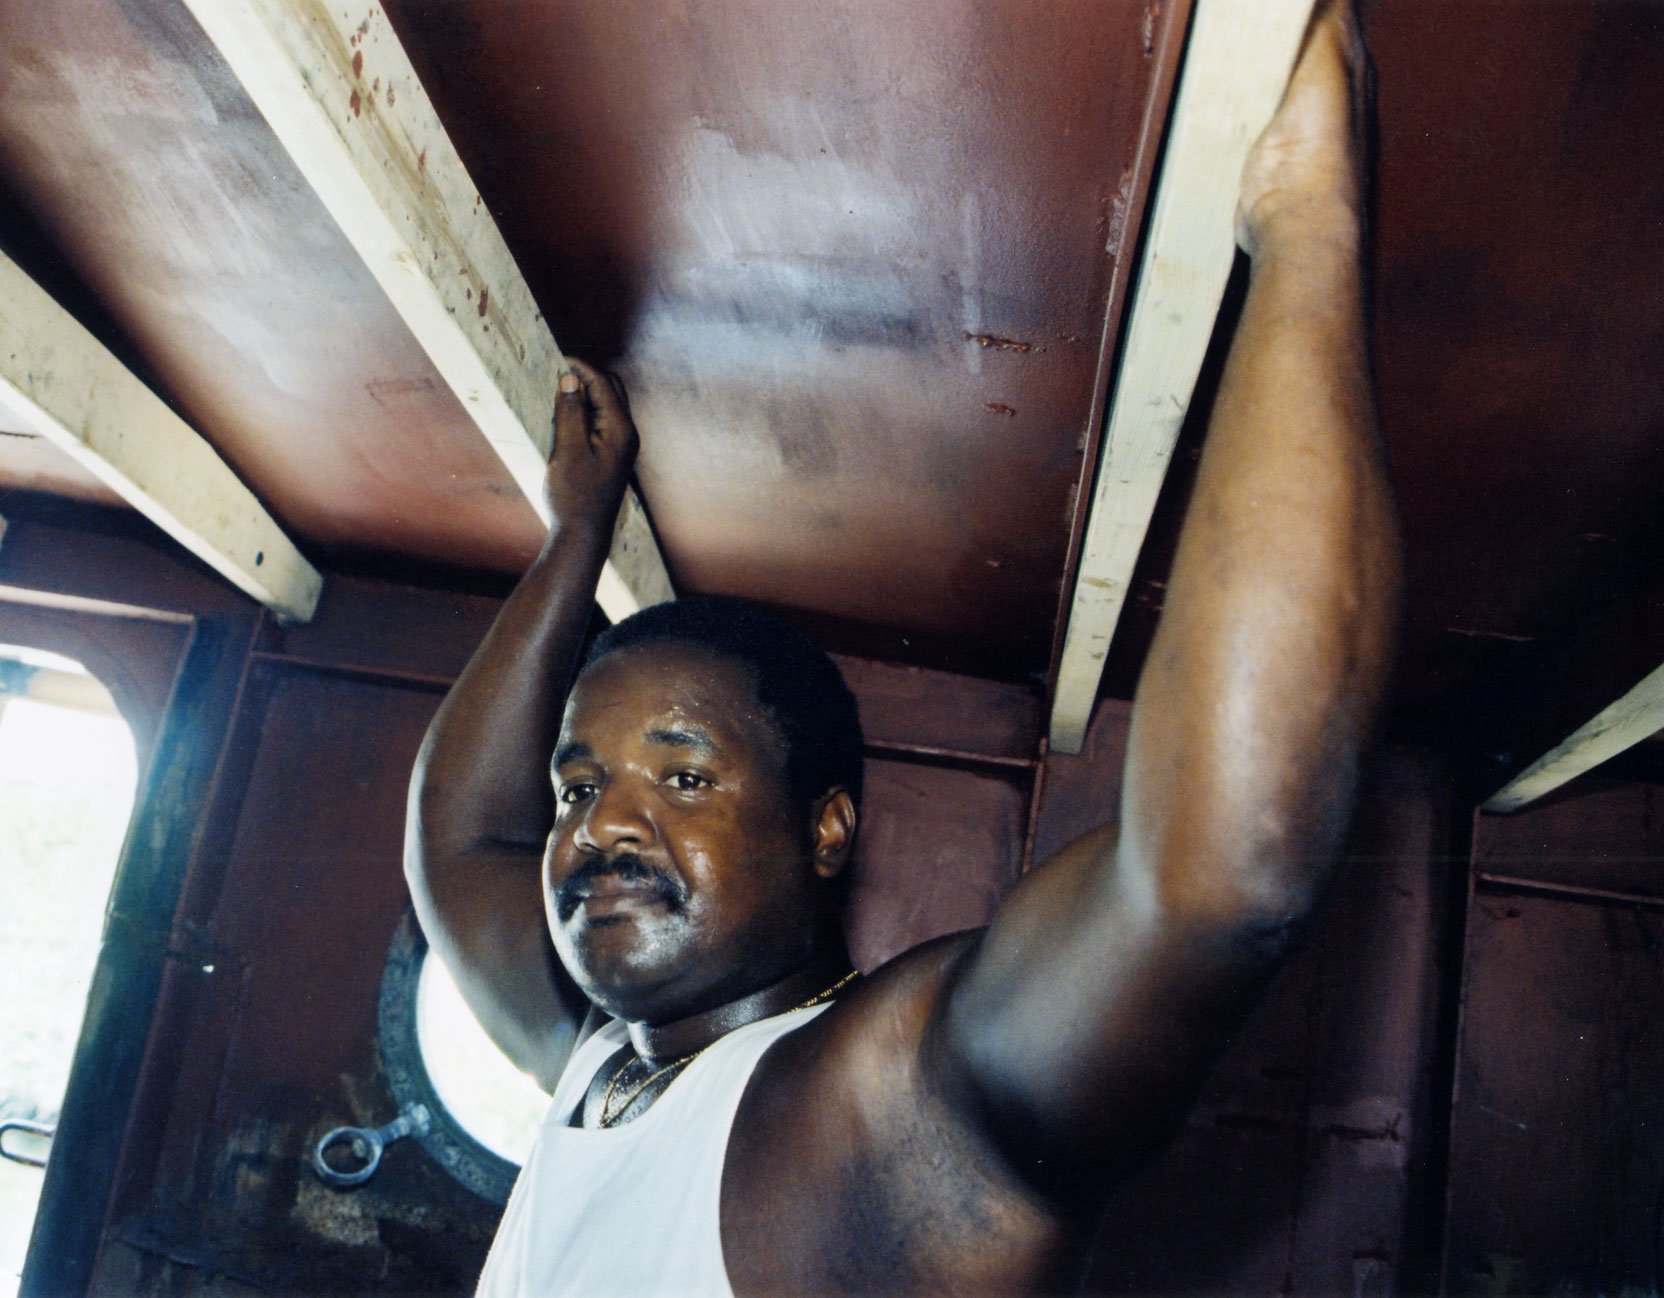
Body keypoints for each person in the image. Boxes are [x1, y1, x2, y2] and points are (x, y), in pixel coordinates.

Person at [405, 3, 1398, 1292]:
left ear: (827, 829)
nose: (600, 827)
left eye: (684, 775)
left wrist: (1309, 225)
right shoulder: (596, 1065)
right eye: (578, 787)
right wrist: (572, 537)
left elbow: (1226, 869)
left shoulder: (880, 1108)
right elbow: (460, 843)